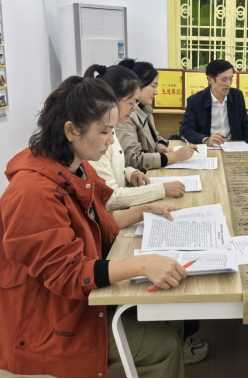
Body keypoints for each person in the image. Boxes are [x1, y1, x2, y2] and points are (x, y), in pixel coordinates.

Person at [0, 76, 188, 378]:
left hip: (68, 304)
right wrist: (141, 264)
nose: (111, 140)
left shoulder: (76, 167)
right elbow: (68, 274)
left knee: (171, 313)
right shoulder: (32, 192)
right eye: (104, 131)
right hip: (46, 322)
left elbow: (100, 223)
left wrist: (142, 211)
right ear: (71, 130)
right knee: (164, 346)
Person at [84, 64, 208, 364]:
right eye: (131, 101)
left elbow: (111, 181)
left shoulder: (96, 148)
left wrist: (133, 180)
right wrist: (156, 192)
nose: (111, 139)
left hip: (102, 247)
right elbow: (110, 198)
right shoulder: (45, 185)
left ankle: (176, 328)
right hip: (75, 309)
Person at [84, 64, 186, 210]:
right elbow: (110, 197)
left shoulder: (110, 128)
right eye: (131, 103)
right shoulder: (97, 137)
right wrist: (161, 189)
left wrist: (128, 172)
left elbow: (110, 168)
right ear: (112, 99)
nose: (134, 109)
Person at [116, 59, 197, 170]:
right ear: (138, 85)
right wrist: (174, 156)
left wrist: (159, 146)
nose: (156, 92)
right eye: (153, 86)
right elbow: (131, 160)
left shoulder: (144, 109)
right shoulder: (125, 116)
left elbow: (154, 137)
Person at [180, 59, 248, 146]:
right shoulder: (195, 101)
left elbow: (245, 127)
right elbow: (186, 130)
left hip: (233, 147)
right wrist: (206, 140)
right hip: (208, 147)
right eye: (224, 79)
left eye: (231, 79)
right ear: (210, 79)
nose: (228, 84)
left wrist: (246, 147)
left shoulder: (237, 96)